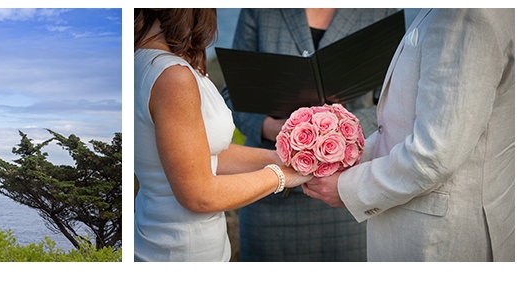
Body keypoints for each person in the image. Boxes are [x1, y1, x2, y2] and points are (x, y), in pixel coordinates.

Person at [303, 8, 514, 261]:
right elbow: (407, 124)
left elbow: (435, 154)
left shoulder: (464, 14)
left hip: (439, 240)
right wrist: (343, 153)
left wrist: (348, 188)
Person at [220, 8, 398, 261]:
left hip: (345, 194)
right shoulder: (260, 10)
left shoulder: (380, 10)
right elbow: (233, 94)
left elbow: (393, 103)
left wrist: (342, 131)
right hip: (270, 192)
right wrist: (274, 128)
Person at [134, 8, 311, 262]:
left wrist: (280, 157)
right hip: (184, 250)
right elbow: (200, 195)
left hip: (157, 237)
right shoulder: (172, 76)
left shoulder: (141, 60)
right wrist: (285, 176)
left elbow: (202, 154)